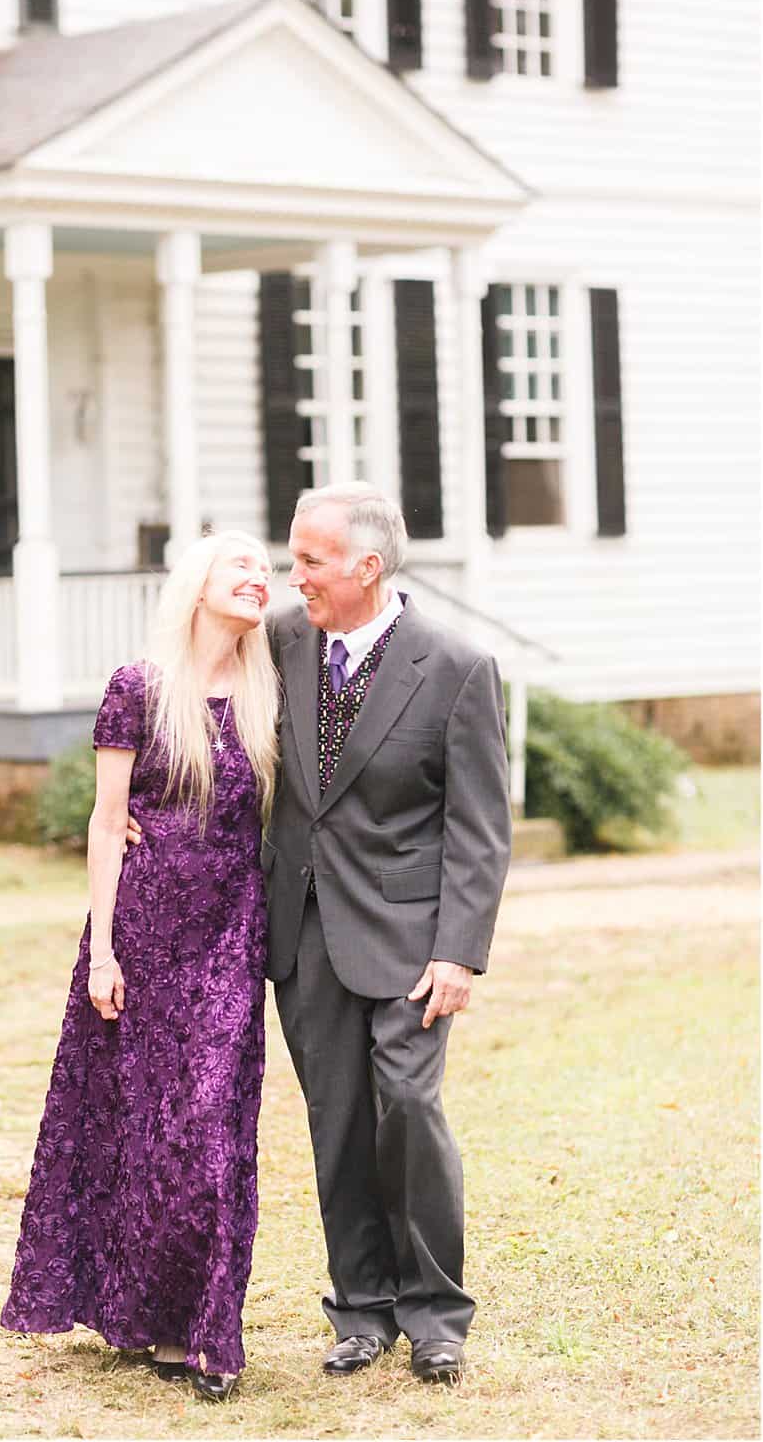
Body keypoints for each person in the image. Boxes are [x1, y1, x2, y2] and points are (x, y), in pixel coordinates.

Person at [1, 530, 280, 1402]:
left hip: (232, 935)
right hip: (146, 938)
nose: (260, 578)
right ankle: (147, 1320)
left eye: (267, 570)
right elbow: (105, 820)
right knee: (136, 1132)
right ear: (199, 585)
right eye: (243, 567)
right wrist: (107, 949)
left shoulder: (272, 692)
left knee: (209, 1131)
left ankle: (207, 1333)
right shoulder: (140, 689)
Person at [264, 482, 511, 1385]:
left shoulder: (454, 666)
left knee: (407, 1108)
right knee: (336, 1122)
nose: (296, 578)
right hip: (303, 930)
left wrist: (459, 948)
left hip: (412, 937)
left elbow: (480, 827)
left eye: (311, 561)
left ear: (367, 566)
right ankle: (360, 1309)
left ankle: (436, 1314)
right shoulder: (283, 642)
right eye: (295, 559)